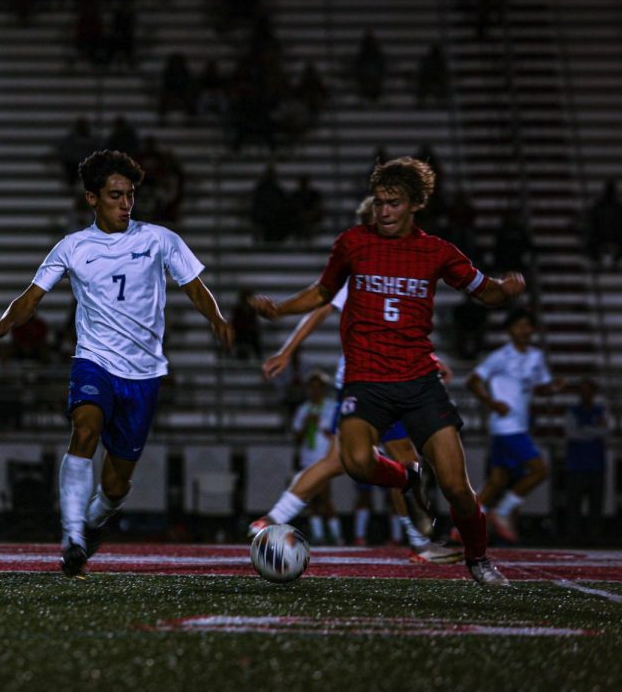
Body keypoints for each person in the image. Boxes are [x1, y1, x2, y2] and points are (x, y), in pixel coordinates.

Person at [248, 157, 526, 585]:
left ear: (415, 204)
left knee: (456, 487)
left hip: (419, 381)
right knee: (356, 462)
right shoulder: (353, 243)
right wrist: (280, 309)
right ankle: (408, 478)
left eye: (393, 203)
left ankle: (478, 557)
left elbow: (483, 292)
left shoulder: (437, 252)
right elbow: (322, 293)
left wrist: (505, 290)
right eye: (379, 202)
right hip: (366, 378)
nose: (383, 211)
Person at [0, 149, 234, 578]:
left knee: (116, 486)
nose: (125, 204)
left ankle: (94, 520)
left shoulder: (158, 239)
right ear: (92, 199)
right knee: (84, 430)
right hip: (94, 361)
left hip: (143, 374)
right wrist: (4, 323)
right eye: (115, 195)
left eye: (130, 195)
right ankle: (72, 538)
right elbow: (31, 298)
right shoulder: (73, 247)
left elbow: (195, 286)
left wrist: (216, 318)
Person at [250, 197, 461, 563]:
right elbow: (320, 310)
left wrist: (430, 359)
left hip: (378, 379)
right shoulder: (366, 269)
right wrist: (287, 349)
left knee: (370, 462)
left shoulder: (385, 269)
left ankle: (272, 519)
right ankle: (419, 542)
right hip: (371, 382)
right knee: (390, 462)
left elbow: (401, 330)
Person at [466, 308, 564, 543]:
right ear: (509, 330)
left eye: (528, 325)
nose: (524, 330)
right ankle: (502, 512)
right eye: (519, 325)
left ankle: (464, 525)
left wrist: (552, 388)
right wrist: (492, 402)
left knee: (498, 479)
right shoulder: (500, 356)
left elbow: (538, 386)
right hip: (506, 425)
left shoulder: (536, 356)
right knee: (540, 471)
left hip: (520, 423)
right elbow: (473, 381)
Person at [291, 370, 344, 544]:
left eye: (318, 387)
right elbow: (297, 438)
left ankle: (336, 535)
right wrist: (307, 423)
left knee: (325, 496)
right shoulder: (304, 409)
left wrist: (322, 428)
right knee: (310, 498)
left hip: (324, 457)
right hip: (308, 457)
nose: (315, 391)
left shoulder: (331, 407)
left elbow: (337, 434)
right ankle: (319, 535)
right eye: (312, 387)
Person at [564, 379, 611, 544]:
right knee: (574, 503)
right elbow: (571, 433)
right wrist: (593, 431)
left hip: (596, 465)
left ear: (594, 393)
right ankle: (573, 535)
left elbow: (605, 431)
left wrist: (583, 430)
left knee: (596, 504)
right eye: (582, 390)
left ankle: (595, 535)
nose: (586, 394)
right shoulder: (573, 411)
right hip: (576, 465)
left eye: (588, 390)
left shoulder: (601, 411)